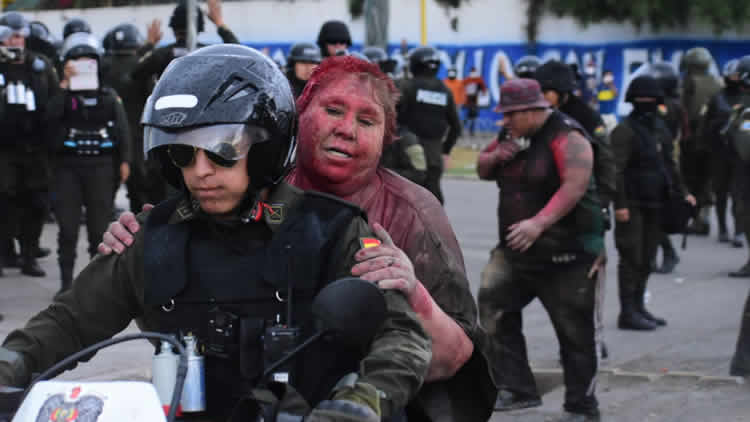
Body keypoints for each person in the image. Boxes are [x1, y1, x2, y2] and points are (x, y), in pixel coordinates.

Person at [0, 45, 432, 422]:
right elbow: (67, 322)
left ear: (265, 149)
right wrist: (10, 364)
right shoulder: (152, 236)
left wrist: (359, 403)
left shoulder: (335, 231)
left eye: (221, 153)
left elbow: (402, 336)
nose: (200, 172)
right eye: (184, 155)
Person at [101, 55, 497, 422]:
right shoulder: (250, 186)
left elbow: (456, 355)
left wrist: (413, 293)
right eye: (333, 110)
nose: (347, 129)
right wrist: (146, 241)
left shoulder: (414, 213)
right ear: (298, 117)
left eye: (367, 120)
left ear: (385, 138)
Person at [476, 78, 605, 422]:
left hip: (568, 254)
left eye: (510, 114)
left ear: (534, 110)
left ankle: (581, 407)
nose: (504, 121)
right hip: (515, 252)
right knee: (492, 307)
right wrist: (496, 156)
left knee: (575, 332)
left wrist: (539, 223)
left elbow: (574, 187)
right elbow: (482, 168)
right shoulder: (512, 136)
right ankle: (518, 389)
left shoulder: (567, 136)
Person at [534, 59, 615, 362]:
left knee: (585, 284)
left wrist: (604, 204)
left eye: (547, 91)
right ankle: (567, 342)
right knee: (554, 286)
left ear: (562, 92)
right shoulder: (538, 117)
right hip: (548, 213)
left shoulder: (586, 118)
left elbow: (606, 162)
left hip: (584, 214)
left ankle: (595, 337)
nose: (542, 96)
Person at [47, 33, 132, 295]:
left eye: (88, 60)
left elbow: (122, 130)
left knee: (99, 232)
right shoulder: (61, 96)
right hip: (68, 169)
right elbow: (47, 123)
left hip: (101, 168)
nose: (83, 64)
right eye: (77, 60)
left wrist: (125, 160)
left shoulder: (108, 97)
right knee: (68, 230)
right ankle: (65, 284)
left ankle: (96, 286)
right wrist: (64, 84)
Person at [611, 75, 695, 331]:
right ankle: (627, 312)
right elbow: (616, 171)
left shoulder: (661, 129)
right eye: (641, 99)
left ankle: (639, 306)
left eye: (651, 99)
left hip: (657, 202)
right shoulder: (624, 131)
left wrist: (684, 192)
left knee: (647, 258)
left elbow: (669, 164)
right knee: (631, 257)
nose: (646, 103)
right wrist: (621, 205)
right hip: (633, 204)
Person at [0, 12, 60, 278]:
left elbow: (55, 100)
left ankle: (29, 255)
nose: (18, 41)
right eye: (13, 36)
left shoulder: (41, 65)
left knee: (36, 202)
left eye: (21, 36)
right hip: (4, 149)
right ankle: (5, 252)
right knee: (5, 202)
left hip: (36, 147)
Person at [101, 21, 164, 214]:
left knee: (106, 190)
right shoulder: (142, 67)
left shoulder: (103, 66)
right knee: (141, 189)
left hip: (109, 136)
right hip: (138, 135)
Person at [397, 46, 461, 204]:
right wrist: (445, 150)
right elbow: (456, 126)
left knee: (406, 203)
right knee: (432, 203)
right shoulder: (445, 91)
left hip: (407, 154)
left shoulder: (407, 86)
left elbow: (394, 117)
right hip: (434, 156)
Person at [647, 61, 689, 274]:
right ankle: (655, 256)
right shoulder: (674, 103)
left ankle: (666, 252)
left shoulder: (666, 106)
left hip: (662, 160)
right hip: (664, 158)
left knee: (655, 210)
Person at [680, 47, 722, 235]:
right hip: (713, 141)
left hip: (693, 140)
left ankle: (697, 219)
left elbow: (685, 111)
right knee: (707, 179)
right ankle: (704, 216)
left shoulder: (689, 83)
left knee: (693, 179)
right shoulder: (717, 83)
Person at [704, 58, 745, 247]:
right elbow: (705, 126)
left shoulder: (745, 98)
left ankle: (739, 230)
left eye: (737, 75)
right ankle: (722, 228)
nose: (734, 79)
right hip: (719, 153)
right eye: (732, 75)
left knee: (739, 193)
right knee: (720, 192)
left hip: (740, 154)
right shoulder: (717, 98)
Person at [462, 66, 486, 136]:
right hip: (468, 101)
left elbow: (483, 89)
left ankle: (470, 131)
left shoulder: (478, 80)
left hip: (474, 101)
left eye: (474, 72)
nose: (473, 73)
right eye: (472, 72)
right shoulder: (468, 80)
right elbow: (462, 89)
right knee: (468, 116)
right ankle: (462, 130)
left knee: (473, 117)